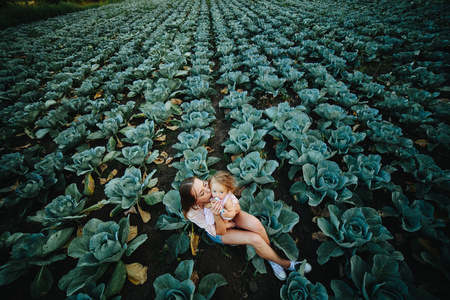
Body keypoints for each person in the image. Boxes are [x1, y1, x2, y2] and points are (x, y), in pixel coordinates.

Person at [179, 175, 312, 281]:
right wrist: (217, 216)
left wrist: (230, 212)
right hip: (220, 230)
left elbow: (237, 207)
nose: (209, 191)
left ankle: (270, 257)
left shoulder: (213, 186)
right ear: (196, 201)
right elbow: (220, 231)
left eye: (204, 184)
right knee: (255, 239)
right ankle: (286, 264)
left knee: (256, 225)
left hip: (231, 215)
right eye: (202, 193)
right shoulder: (193, 213)